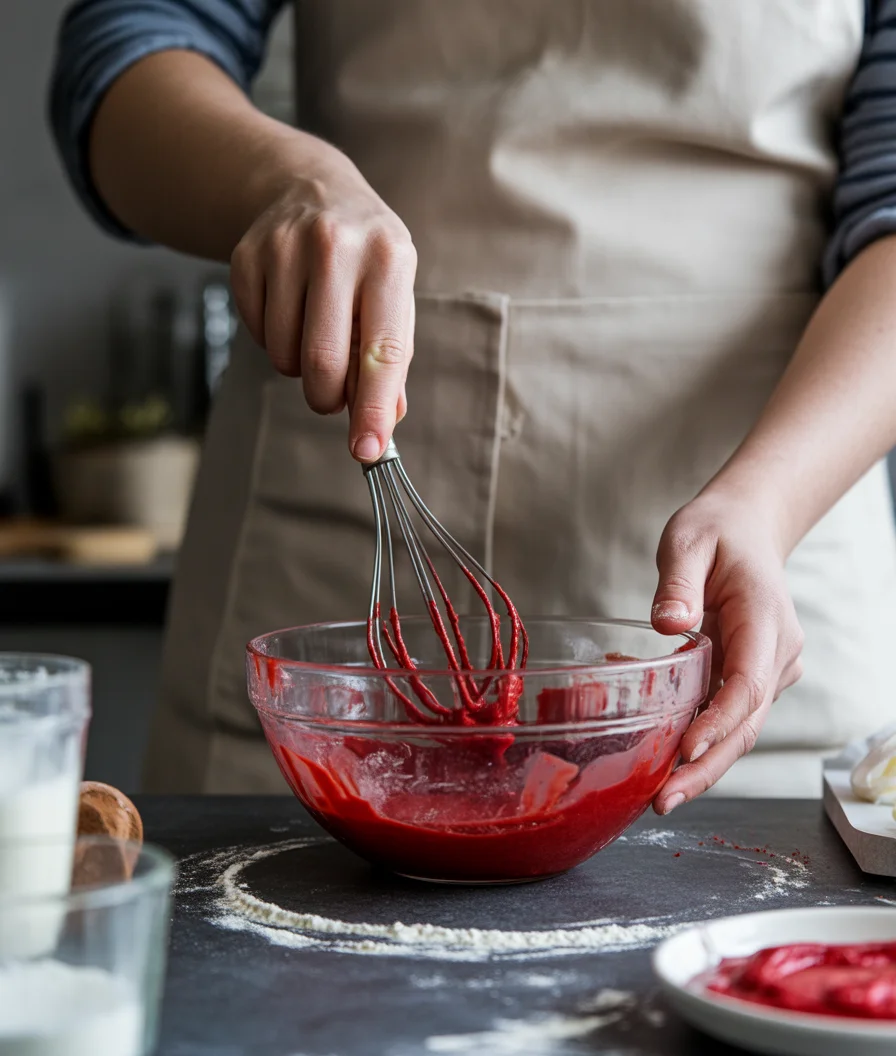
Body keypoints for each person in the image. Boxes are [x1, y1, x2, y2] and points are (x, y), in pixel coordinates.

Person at [51, 0, 896, 806]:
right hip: (325, 591)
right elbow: (128, 45)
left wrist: (768, 504)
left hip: (761, 532)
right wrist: (284, 180)